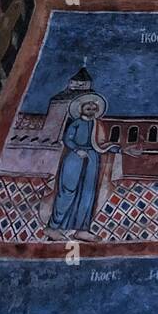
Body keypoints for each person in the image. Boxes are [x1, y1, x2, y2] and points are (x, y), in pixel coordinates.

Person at [45, 92, 114, 241]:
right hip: (74, 158)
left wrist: (121, 149)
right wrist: (77, 149)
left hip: (92, 160)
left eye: (93, 107)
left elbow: (102, 145)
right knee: (67, 192)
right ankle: (52, 227)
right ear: (81, 108)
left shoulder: (97, 125)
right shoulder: (76, 123)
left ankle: (82, 230)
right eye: (87, 107)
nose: (90, 109)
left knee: (87, 195)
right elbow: (67, 139)